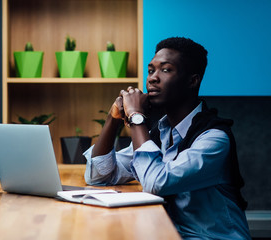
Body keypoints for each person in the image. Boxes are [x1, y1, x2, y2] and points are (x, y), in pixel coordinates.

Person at [84, 37, 251, 239]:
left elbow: (156, 182)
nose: (153, 78)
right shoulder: (160, 134)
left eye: (165, 70)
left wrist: (136, 117)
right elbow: (99, 176)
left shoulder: (213, 139)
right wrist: (114, 117)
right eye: (151, 70)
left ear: (192, 81)